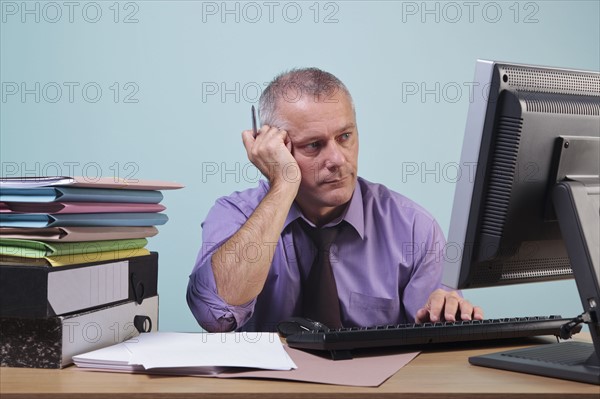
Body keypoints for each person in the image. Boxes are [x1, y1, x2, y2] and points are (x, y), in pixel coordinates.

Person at [187, 67, 483, 332]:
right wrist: (283, 185)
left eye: (344, 137)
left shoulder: (414, 228)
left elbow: (435, 338)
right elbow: (214, 316)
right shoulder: (235, 215)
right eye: (314, 145)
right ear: (275, 148)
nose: (338, 159)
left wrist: (447, 313)